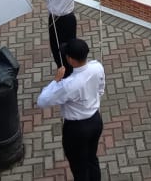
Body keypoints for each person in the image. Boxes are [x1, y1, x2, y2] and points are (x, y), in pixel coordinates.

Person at [37, 38, 105, 181]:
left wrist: (56, 80)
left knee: (79, 166)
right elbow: (100, 89)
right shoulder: (97, 67)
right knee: (91, 158)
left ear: (71, 60)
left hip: (76, 130)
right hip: (95, 121)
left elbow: (42, 101)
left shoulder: (69, 84)